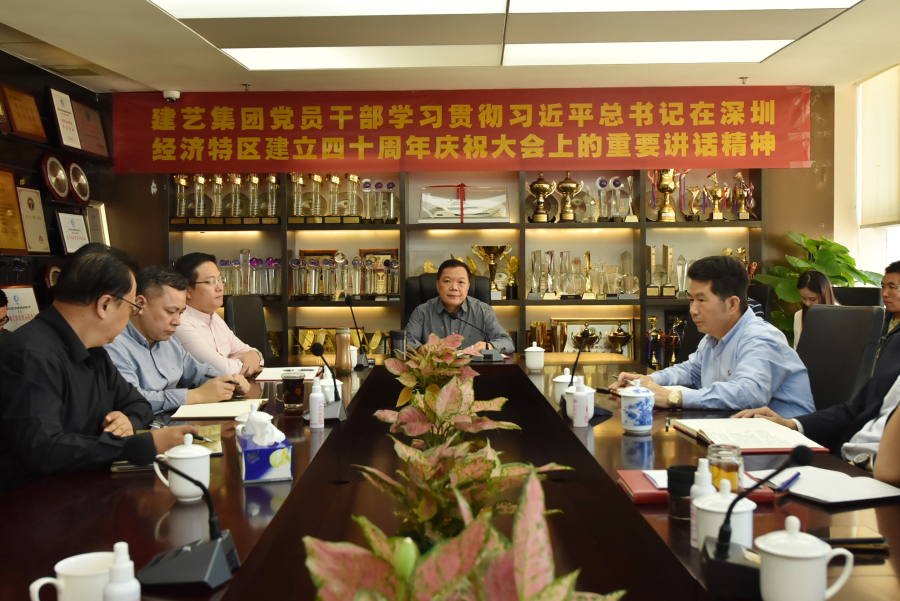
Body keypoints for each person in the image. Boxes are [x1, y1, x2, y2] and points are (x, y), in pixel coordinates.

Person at [0, 244, 194, 492]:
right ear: (105, 305)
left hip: (87, 488)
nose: (131, 316)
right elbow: (44, 450)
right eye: (131, 308)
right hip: (34, 500)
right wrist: (139, 445)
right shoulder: (31, 354)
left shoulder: (94, 349)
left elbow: (138, 405)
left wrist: (128, 421)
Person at [735, 261, 900, 468]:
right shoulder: (895, 344)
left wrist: (875, 467)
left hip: (879, 469)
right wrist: (790, 423)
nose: (885, 294)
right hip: (847, 457)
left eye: (893, 287)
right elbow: (855, 409)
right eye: (883, 286)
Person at [611, 256, 815, 418]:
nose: (692, 310)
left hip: (788, 444)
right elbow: (691, 371)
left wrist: (674, 397)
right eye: (691, 300)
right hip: (738, 430)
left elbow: (748, 394)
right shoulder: (714, 336)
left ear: (732, 304)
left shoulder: (761, 338)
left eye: (701, 300)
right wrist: (648, 380)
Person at [105, 266, 253, 415]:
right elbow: (132, 400)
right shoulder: (113, 344)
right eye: (170, 312)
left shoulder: (169, 342)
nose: (177, 322)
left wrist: (229, 381)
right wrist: (195, 396)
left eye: (181, 313)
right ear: (140, 304)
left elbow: (200, 373)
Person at [172, 252, 265, 376]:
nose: (220, 287)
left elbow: (254, 354)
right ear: (187, 290)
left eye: (220, 279)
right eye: (211, 281)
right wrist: (244, 363)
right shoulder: (180, 323)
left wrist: (254, 355)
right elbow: (223, 371)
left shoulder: (214, 317)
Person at [405, 259, 514, 354]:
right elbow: (406, 342)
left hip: (475, 369)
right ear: (437, 285)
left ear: (468, 286)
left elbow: (507, 342)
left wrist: (489, 346)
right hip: (435, 370)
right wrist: (421, 349)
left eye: (461, 282)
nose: (454, 287)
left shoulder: (483, 310)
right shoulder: (422, 312)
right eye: (447, 281)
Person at [793, 270, 840, 350]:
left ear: (824, 294)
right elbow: (797, 348)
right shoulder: (799, 315)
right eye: (803, 298)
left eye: (813, 299)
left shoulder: (841, 316)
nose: (807, 303)